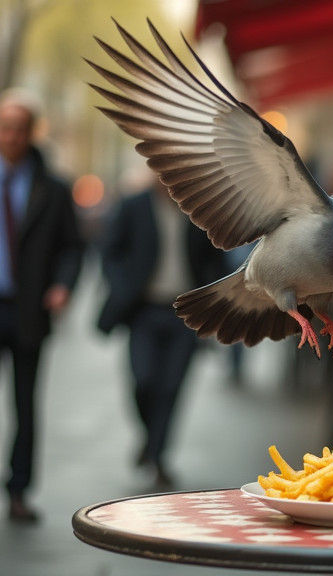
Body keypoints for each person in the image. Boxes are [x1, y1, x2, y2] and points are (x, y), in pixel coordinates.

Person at [97, 179, 228, 488]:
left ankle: (157, 456)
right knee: (144, 381)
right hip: (144, 311)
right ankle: (151, 439)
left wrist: (210, 301)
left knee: (171, 388)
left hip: (186, 315)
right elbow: (110, 252)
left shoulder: (201, 208)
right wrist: (122, 287)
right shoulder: (133, 206)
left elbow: (216, 260)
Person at [0, 91, 84, 522]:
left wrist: (62, 286)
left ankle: (18, 490)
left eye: (20, 128)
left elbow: (72, 246)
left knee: (25, 404)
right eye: (6, 127)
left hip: (28, 309)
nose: (12, 136)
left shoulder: (51, 188)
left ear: (31, 132)